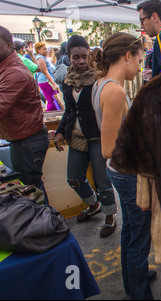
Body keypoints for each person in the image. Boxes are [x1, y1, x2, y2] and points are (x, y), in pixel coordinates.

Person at [89, 32, 156, 300]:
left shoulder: (101, 84)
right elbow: (108, 149)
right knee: (139, 237)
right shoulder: (115, 91)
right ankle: (139, 292)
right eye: (139, 59)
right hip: (127, 173)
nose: (140, 66)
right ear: (127, 56)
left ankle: (133, 279)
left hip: (121, 173)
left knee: (130, 230)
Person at [54, 35, 117, 237]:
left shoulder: (99, 79)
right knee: (73, 178)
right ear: (69, 58)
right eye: (76, 58)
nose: (81, 61)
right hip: (77, 137)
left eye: (84, 56)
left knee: (103, 181)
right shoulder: (68, 81)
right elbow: (69, 111)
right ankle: (94, 204)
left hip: (98, 137)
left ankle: (110, 216)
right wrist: (60, 131)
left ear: (89, 55)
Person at [0, 26, 49, 204]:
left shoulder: (14, 72)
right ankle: (48, 225)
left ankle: (48, 227)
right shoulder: (7, 68)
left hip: (28, 140)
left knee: (32, 191)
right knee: (32, 189)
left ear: (8, 45)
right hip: (23, 138)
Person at [34, 42, 61, 111]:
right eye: (44, 49)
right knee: (51, 99)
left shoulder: (42, 58)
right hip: (46, 81)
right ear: (38, 50)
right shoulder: (40, 59)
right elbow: (45, 72)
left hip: (46, 81)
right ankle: (52, 114)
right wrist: (53, 84)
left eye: (46, 49)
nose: (46, 51)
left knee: (51, 99)